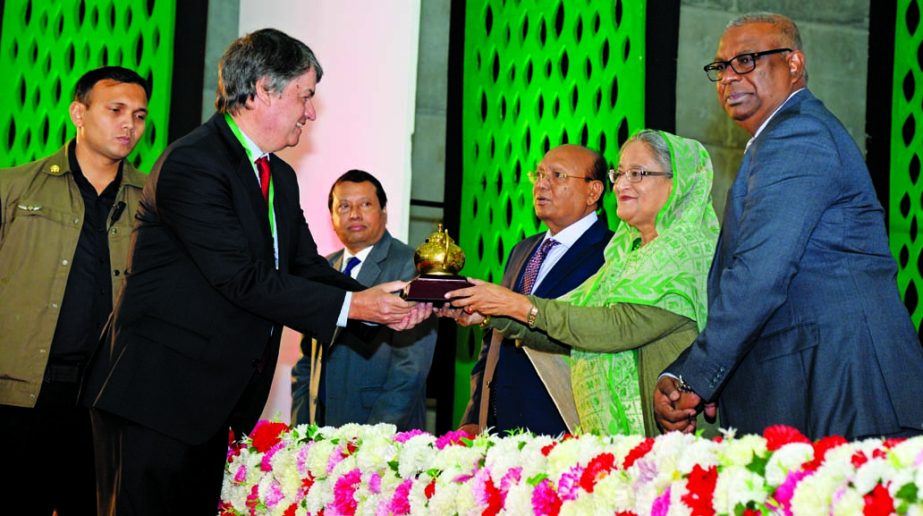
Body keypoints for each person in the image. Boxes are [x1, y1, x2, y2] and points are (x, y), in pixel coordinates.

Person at [83, 29, 429, 514]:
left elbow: (305, 267)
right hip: (156, 399)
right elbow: (239, 278)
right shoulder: (194, 162)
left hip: (210, 404)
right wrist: (357, 305)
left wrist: (383, 304)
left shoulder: (278, 175)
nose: (310, 112)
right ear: (264, 89)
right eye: (304, 96)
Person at [654, 13, 923, 439]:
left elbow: (759, 278)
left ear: (794, 64)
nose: (728, 77)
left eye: (746, 60)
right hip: (818, 381)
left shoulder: (797, 135)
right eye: (721, 67)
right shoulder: (777, 140)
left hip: (844, 383)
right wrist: (690, 371)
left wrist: (693, 378)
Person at [445, 131, 719, 436]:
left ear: (677, 182)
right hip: (614, 444)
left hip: (670, 438)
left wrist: (516, 304)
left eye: (638, 173)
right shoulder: (625, 254)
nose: (622, 184)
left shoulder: (688, 249)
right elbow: (569, 327)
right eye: (621, 173)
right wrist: (490, 312)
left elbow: (615, 326)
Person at [0, 66, 149, 515]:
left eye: (140, 116)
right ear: (78, 113)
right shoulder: (13, 187)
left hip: (107, 399)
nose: (130, 125)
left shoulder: (154, 200)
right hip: (21, 395)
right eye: (116, 110)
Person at [454, 144, 612, 436]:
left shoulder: (611, 253)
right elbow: (492, 339)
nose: (542, 184)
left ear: (593, 192)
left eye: (557, 176)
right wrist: (474, 414)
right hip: (498, 425)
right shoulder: (523, 250)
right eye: (538, 175)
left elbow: (597, 335)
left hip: (564, 425)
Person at [291, 170, 437, 430]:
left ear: (384, 211)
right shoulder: (324, 268)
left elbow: (410, 368)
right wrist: (301, 427)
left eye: (365, 204)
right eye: (344, 206)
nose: (354, 214)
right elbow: (306, 358)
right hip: (318, 431)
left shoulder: (411, 266)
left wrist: (371, 440)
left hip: (379, 435)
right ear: (333, 216)